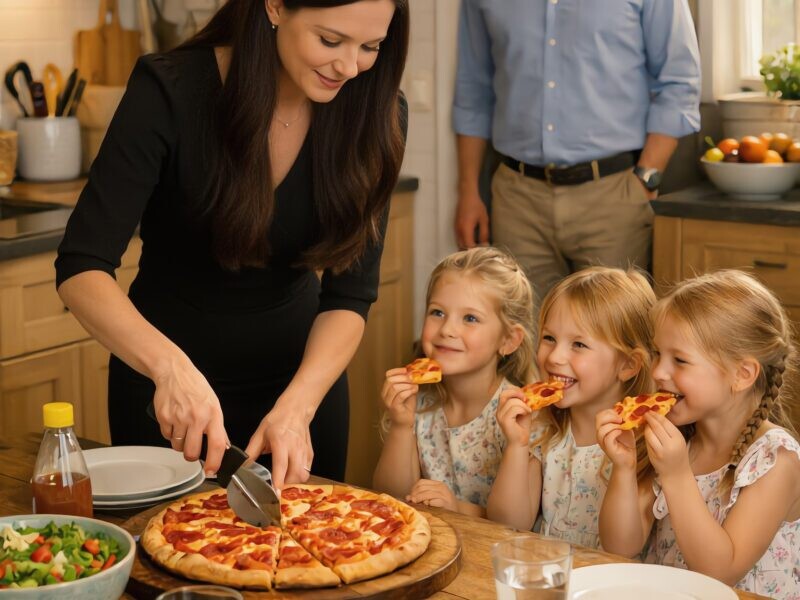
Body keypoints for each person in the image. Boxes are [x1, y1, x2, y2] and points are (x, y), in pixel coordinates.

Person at [54, 0, 409, 488]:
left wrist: (299, 405)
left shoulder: (376, 109)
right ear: (276, 6)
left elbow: (350, 296)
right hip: (168, 397)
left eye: (371, 46)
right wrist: (169, 370)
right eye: (329, 41)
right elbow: (81, 267)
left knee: (314, 556)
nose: (349, 67)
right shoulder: (170, 89)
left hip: (300, 392)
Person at [452, 0, 701, 304]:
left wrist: (646, 178)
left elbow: (679, 81)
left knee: (610, 336)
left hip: (613, 196)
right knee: (523, 338)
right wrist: (468, 192)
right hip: (516, 201)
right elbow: (473, 91)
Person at [597, 271, 800, 598]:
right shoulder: (680, 438)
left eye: (680, 360)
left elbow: (720, 571)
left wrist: (676, 475)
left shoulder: (776, 460)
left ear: (742, 374)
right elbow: (621, 545)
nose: (659, 372)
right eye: (658, 354)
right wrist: (623, 467)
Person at [487, 267, 655, 548]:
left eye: (578, 344)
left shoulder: (645, 445)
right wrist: (516, 446)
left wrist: (624, 470)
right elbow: (508, 523)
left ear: (627, 365)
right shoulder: (545, 430)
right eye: (549, 338)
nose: (555, 357)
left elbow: (623, 549)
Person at [372, 247, 536, 516]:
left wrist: (456, 509)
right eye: (437, 313)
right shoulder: (420, 404)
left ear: (509, 340)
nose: (447, 330)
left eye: (470, 318)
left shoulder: (521, 414)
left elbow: (516, 524)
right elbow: (392, 498)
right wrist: (402, 426)